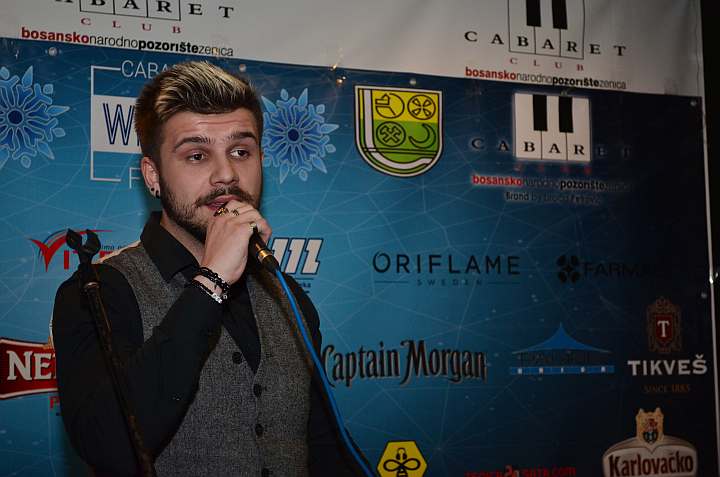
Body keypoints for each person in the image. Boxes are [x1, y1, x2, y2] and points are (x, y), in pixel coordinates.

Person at [52, 61, 362, 476]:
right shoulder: (97, 292)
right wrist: (211, 281)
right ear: (153, 176)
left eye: (241, 152)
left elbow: (324, 449)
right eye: (197, 155)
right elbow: (108, 445)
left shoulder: (285, 294)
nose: (227, 174)